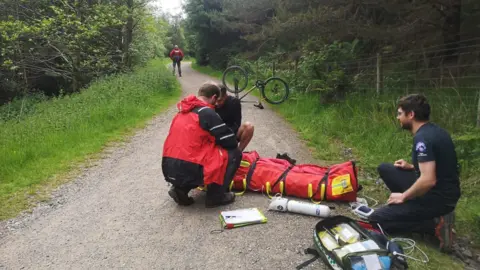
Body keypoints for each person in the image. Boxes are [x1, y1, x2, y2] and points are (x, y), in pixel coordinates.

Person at [368, 94, 461, 253]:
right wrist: (411, 166)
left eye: (399, 113)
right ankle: (416, 210)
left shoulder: (423, 139)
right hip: (443, 190)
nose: (398, 118)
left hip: (437, 198)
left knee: (376, 220)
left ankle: (432, 224)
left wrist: (403, 196)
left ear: (411, 115)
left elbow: (428, 180)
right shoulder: (436, 131)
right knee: (385, 168)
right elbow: (439, 166)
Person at [162, 81, 242, 208]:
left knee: (192, 153)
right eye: (216, 102)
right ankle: (216, 196)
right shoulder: (207, 113)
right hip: (191, 167)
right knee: (234, 153)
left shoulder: (182, 111)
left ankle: (180, 189)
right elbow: (230, 141)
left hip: (169, 165)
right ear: (214, 97)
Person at [215, 86, 254, 151]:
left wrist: (227, 135)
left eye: (220, 101)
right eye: (216, 101)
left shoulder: (234, 102)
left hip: (230, 133)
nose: (217, 103)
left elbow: (237, 124)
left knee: (249, 127)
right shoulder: (211, 102)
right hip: (215, 135)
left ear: (225, 96)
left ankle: (238, 153)